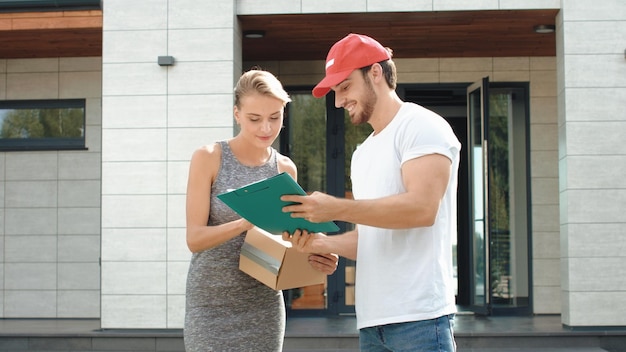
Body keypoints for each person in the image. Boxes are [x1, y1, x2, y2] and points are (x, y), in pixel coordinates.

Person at [281, 33, 461, 351]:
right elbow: (374, 236)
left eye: (345, 86)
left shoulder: (421, 126)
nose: (338, 101)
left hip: (420, 321)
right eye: (335, 92)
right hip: (371, 324)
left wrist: (334, 208)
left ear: (375, 73)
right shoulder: (362, 153)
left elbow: (422, 209)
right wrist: (323, 244)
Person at [184, 69, 338, 352]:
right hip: (210, 306)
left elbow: (290, 238)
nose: (266, 128)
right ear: (237, 114)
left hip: (264, 303)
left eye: (275, 118)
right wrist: (244, 222)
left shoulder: (284, 168)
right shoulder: (208, 158)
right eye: (255, 119)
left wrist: (320, 252)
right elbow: (194, 239)